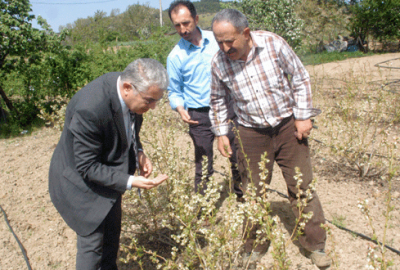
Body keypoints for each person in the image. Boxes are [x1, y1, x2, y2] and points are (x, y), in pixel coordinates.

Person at [209, 9, 331, 268]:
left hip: (288, 127)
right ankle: (254, 246)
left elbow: (299, 76)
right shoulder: (219, 62)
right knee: (252, 192)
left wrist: (302, 115)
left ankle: (315, 245)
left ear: (245, 32)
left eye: (229, 40)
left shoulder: (273, 44)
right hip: (250, 132)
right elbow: (218, 99)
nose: (225, 47)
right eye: (219, 41)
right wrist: (220, 132)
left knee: (302, 187)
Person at [48, 58, 169, 270]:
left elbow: (128, 126)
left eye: (157, 100)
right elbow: (86, 166)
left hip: (109, 178)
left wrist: (138, 151)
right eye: (150, 101)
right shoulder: (90, 108)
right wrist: (131, 180)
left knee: (111, 240)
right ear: (127, 88)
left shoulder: (130, 93)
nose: (153, 107)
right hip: (80, 187)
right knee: (93, 247)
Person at [166, 0, 242, 198]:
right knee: (204, 162)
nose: (182, 29)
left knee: (237, 156)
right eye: (177, 25)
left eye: (186, 23)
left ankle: (243, 199)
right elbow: (174, 91)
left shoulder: (217, 41)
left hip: (228, 108)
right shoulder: (175, 57)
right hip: (199, 115)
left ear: (196, 19)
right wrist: (180, 108)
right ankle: (202, 211)